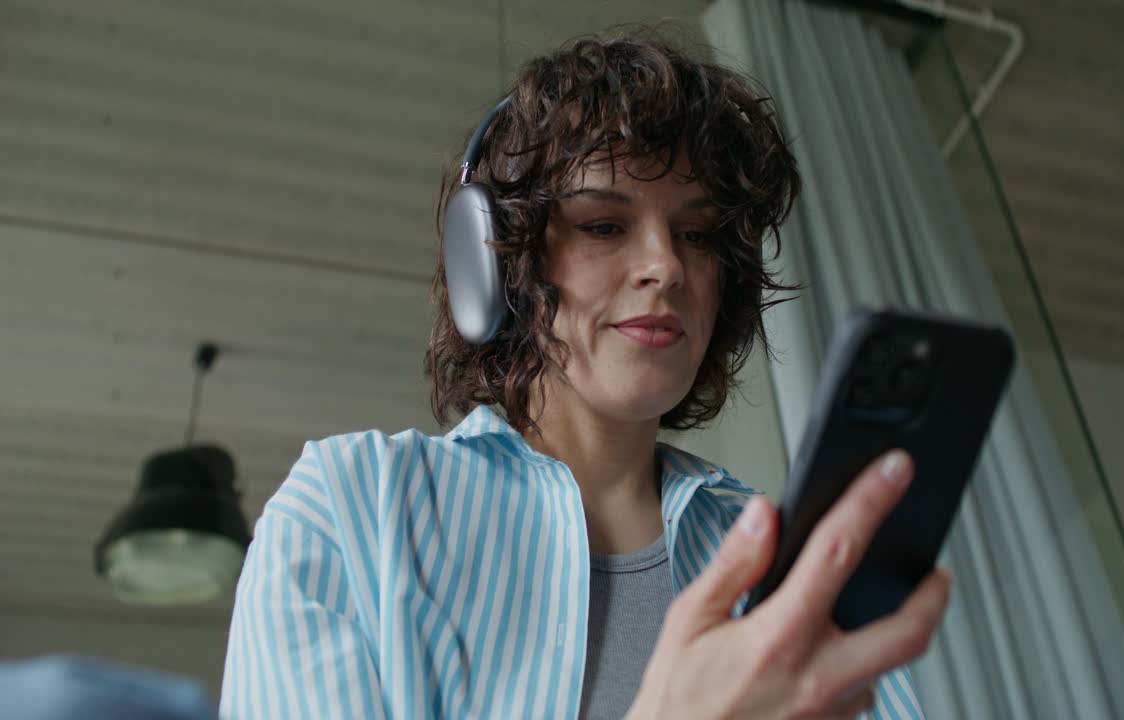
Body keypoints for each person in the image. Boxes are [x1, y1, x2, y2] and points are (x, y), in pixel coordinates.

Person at [220, 29, 950, 720]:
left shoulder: (785, 567)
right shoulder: (350, 510)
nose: (666, 266)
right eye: (604, 225)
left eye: (697, 235)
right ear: (495, 264)